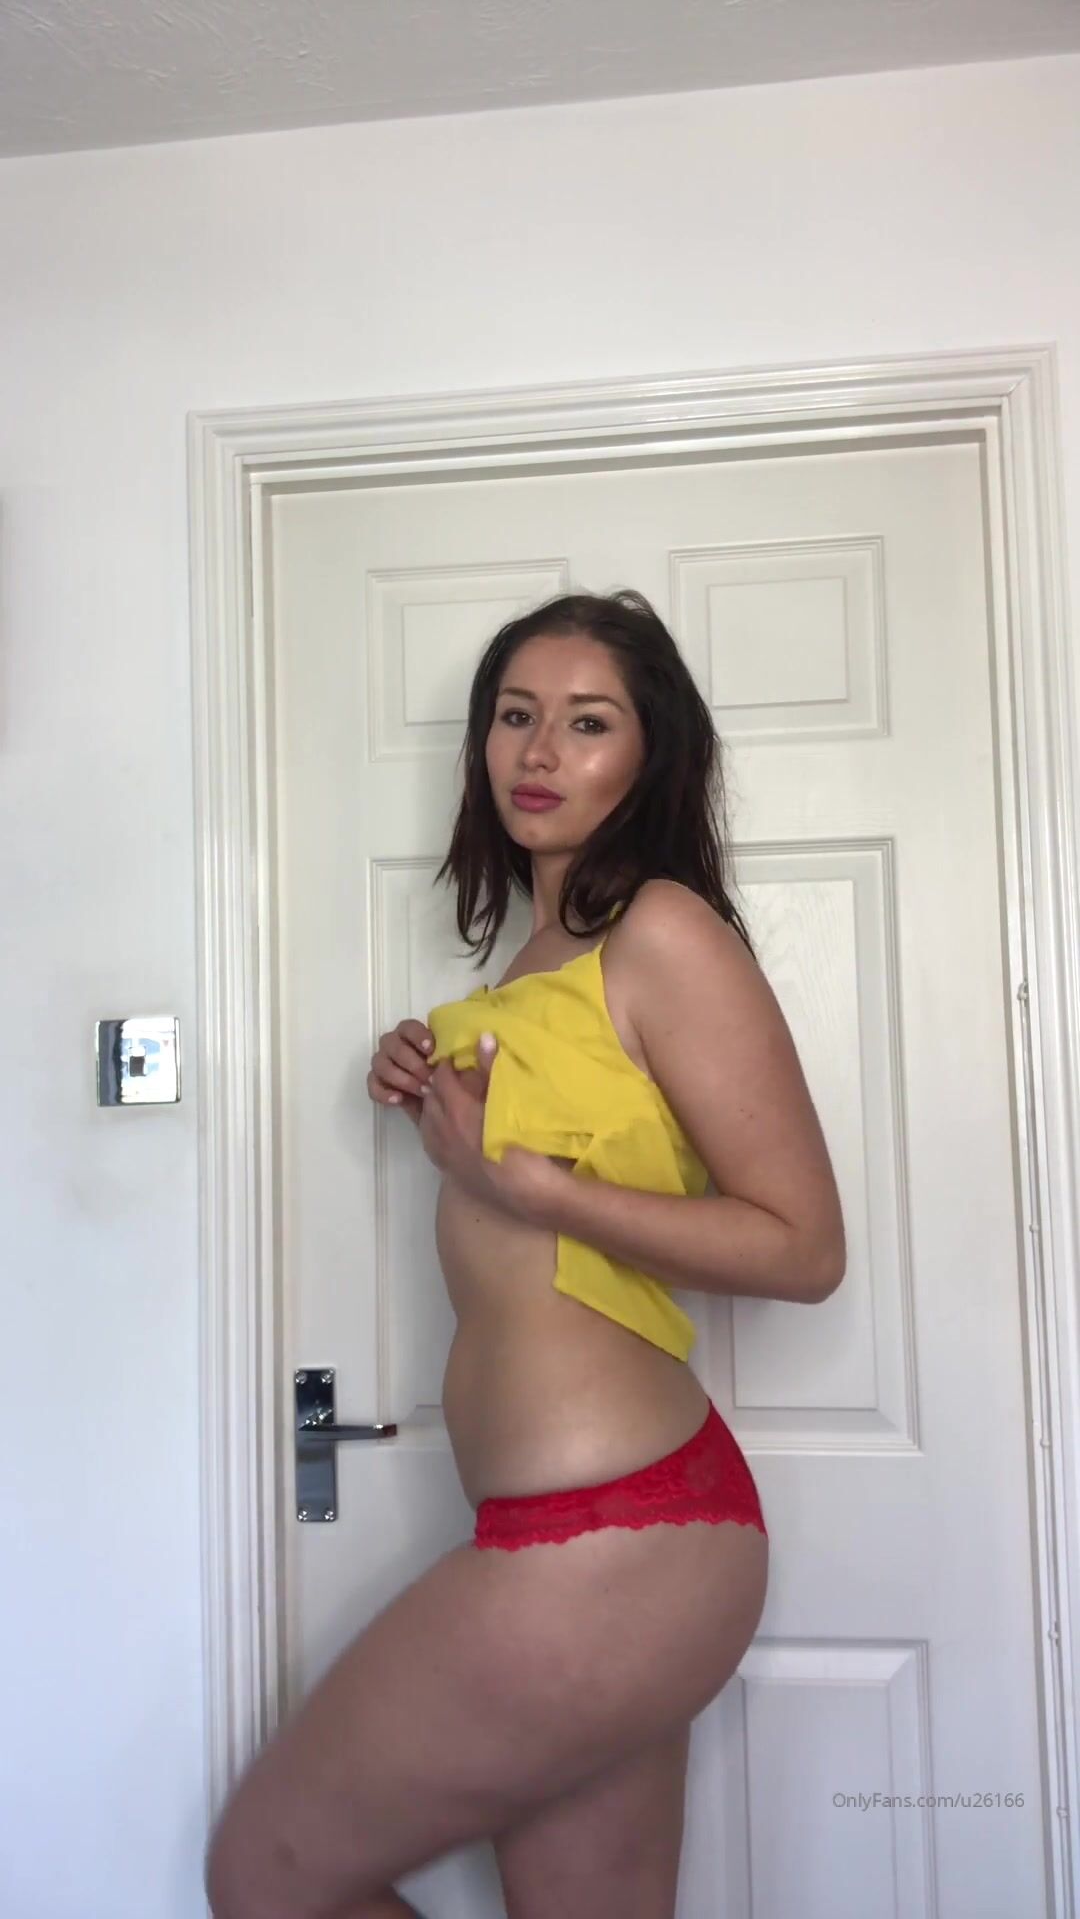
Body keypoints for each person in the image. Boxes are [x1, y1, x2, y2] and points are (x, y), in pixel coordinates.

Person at [206, 589, 846, 1919]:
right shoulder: (536, 965)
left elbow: (804, 1248)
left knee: (266, 1875)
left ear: (650, 757)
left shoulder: (662, 931)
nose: (540, 751)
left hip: (615, 1539)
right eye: (515, 716)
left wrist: (529, 1184)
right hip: (607, 1538)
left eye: (588, 722)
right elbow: (571, 1136)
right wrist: (433, 1082)